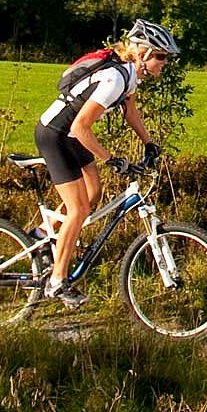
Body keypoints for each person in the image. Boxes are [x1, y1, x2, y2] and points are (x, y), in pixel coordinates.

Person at [32, 18, 178, 307]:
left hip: (71, 136)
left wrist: (149, 143)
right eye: (161, 56)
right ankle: (57, 281)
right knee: (78, 209)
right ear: (143, 53)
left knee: (93, 193)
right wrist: (111, 160)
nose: (164, 63)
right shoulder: (114, 79)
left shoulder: (129, 75)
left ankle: (41, 237)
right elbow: (80, 128)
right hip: (55, 135)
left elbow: (131, 113)